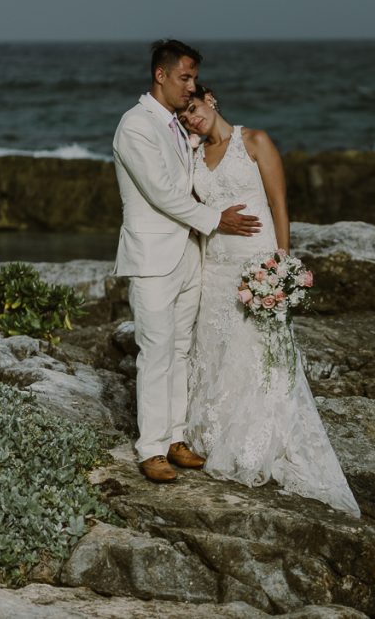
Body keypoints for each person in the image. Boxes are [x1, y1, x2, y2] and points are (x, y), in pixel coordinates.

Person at [178, 85, 360, 517]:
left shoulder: (255, 141)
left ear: (211, 99)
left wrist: (282, 265)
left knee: (261, 354)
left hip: (256, 263)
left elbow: (280, 204)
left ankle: (256, 440)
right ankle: (213, 435)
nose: (191, 118)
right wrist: (188, 145)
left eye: (194, 108)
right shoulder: (195, 157)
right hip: (214, 268)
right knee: (216, 349)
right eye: (183, 116)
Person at [113, 39, 261, 484]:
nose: (191, 85)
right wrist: (217, 220)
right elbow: (162, 191)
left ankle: (175, 437)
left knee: (180, 350)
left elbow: (195, 169)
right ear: (160, 75)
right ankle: (151, 448)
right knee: (155, 352)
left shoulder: (178, 125)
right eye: (185, 77)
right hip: (153, 257)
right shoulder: (135, 125)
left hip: (188, 255)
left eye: (194, 78)